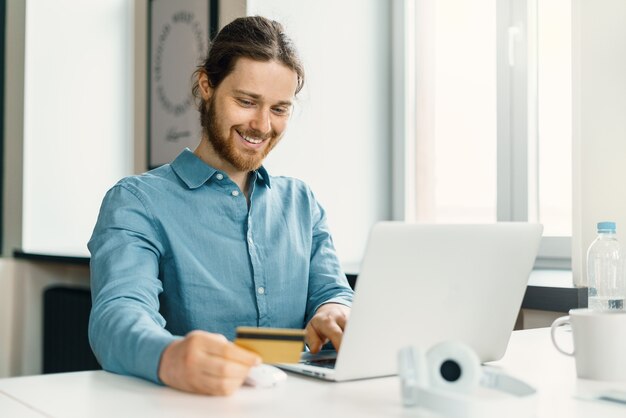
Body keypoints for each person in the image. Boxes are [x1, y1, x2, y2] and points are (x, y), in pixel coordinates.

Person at [88, 16, 353, 396]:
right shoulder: (136, 201)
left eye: (280, 109)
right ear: (206, 86)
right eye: (247, 102)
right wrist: (171, 356)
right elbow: (117, 316)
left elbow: (333, 291)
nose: (262, 125)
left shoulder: (301, 203)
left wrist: (334, 309)